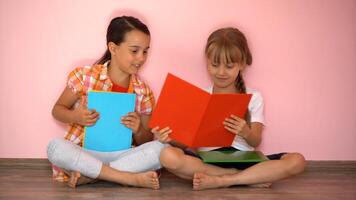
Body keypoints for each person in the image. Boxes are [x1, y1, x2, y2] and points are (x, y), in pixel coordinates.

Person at [152, 27, 306, 190]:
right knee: (167, 155)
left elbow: (256, 141)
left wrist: (245, 131)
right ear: (207, 62)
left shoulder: (254, 97)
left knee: (297, 161)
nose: (221, 72)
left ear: (241, 64)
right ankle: (243, 178)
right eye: (215, 65)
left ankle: (223, 181)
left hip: (245, 161)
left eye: (229, 66)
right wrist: (170, 138)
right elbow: (183, 146)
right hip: (206, 161)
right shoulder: (199, 96)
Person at [47, 16, 165, 190]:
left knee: (161, 149)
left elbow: (146, 140)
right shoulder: (84, 76)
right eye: (134, 51)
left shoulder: (143, 91)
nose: (141, 58)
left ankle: (92, 176)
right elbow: (57, 110)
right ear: (113, 48)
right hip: (85, 152)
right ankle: (126, 178)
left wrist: (139, 129)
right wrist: (75, 116)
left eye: (145, 51)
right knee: (55, 148)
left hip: (121, 156)